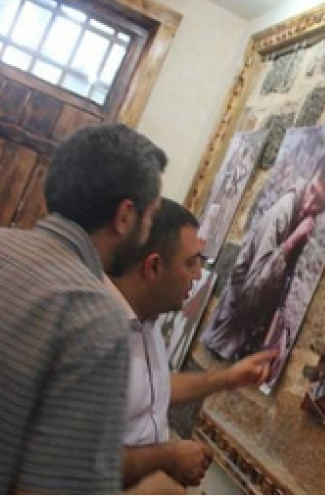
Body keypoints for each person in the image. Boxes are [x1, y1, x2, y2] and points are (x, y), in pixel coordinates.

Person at [0, 124, 175, 494]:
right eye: (151, 215)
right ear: (125, 215)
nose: (147, 230)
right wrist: (149, 491)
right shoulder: (93, 317)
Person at [105, 198, 276, 490]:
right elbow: (75, 461)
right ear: (154, 267)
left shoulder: (146, 320)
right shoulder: (95, 335)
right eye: (190, 263)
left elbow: (152, 388)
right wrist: (166, 460)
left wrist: (227, 378)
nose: (199, 274)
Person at [202, 140, 325, 363]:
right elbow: (250, 295)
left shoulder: (301, 217)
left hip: (239, 339)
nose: (309, 204)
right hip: (226, 336)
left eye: (318, 201)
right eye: (311, 190)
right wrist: (291, 242)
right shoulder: (283, 212)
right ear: (311, 176)